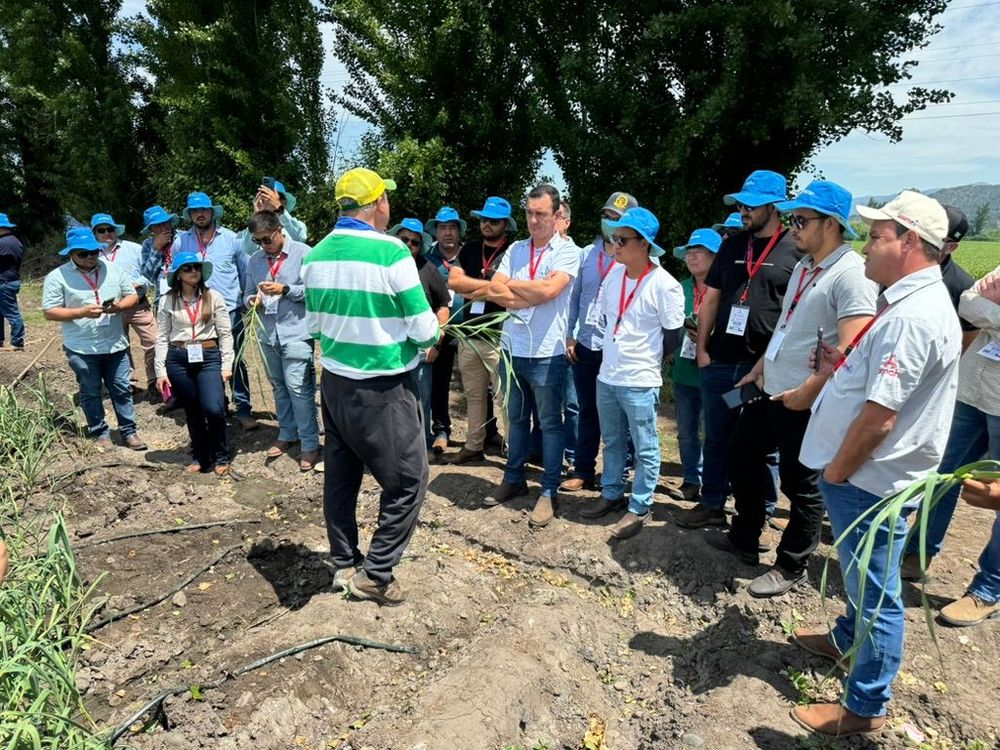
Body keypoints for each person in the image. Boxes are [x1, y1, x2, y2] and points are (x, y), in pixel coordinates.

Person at [792, 190, 960, 735]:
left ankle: (864, 707)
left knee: (875, 594)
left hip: (869, 479)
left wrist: (837, 472)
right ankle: (845, 640)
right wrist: (846, 364)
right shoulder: (904, 303)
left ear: (911, 242)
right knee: (863, 582)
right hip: (868, 475)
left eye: (878, 236)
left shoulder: (914, 316)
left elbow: (880, 418)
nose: (866, 245)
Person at [708, 181, 878, 597]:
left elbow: (849, 349)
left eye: (802, 220)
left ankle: (791, 565)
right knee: (740, 456)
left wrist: (807, 391)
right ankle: (745, 536)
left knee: (800, 484)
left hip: (805, 401)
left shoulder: (849, 275)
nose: (793, 227)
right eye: (792, 218)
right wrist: (762, 366)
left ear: (832, 224)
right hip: (771, 388)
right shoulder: (805, 266)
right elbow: (786, 327)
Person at [302, 168, 439, 606]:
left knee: (341, 478)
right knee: (409, 480)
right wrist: (433, 331)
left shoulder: (316, 255)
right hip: (383, 387)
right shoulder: (392, 252)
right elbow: (422, 328)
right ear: (378, 203)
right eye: (387, 199)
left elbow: (314, 325)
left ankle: (344, 559)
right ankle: (376, 574)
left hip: (336, 382)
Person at [680, 170, 802, 529]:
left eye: (751, 204)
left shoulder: (794, 249)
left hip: (764, 367)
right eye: (741, 204)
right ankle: (712, 502)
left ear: (774, 206)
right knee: (716, 437)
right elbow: (712, 298)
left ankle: (760, 515)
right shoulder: (732, 246)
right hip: (720, 361)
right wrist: (703, 348)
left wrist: (769, 365)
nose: (743, 210)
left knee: (763, 448)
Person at [577, 207, 684, 538]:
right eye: (612, 238)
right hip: (608, 377)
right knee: (611, 442)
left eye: (622, 239)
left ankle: (639, 505)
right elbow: (611, 320)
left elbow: (674, 335)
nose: (615, 245)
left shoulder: (665, 285)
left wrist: (646, 358)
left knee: (645, 445)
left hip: (640, 380)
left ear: (644, 244)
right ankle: (611, 493)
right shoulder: (614, 276)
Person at [483, 184, 581, 528]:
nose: (534, 220)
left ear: (557, 216)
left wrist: (518, 289)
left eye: (541, 214)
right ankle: (514, 478)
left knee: (551, 424)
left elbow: (551, 290)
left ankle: (549, 490)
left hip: (546, 351)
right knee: (515, 417)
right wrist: (531, 293)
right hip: (513, 348)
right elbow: (496, 289)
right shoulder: (516, 248)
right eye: (529, 213)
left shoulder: (568, 252)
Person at [913, 266, 1000, 626]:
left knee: (997, 495)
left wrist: (991, 313)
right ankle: (917, 554)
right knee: (944, 474)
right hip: (970, 390)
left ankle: (988, 590)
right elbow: (967, 303)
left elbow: (980, 306)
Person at [42, 227, 146, 449]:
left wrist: (118, 308)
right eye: (83, 254)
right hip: (81, 348)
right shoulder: (57, 277)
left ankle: (129, 432)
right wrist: (81, 312)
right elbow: (49, 311)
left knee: (121, 389)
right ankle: (100, 433)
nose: (90, 257)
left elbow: (132, 295)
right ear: (71, 254)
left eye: (94, 252)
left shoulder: (113, 269)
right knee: (90, 392)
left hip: (115, 344)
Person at [562, 192, 638, 492]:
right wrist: (569, 334)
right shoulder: (586, 254)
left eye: (617, 219)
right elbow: (574, 298)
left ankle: (623, 472)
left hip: (617, 349)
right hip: (586, 344)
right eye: (607, 216)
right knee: (586, 410)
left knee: (621, 413)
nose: (610, 223)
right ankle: (583, 470)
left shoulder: (639, 259)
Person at [244, 210, 321, 472]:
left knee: (299, 388)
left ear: (279, 230)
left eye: (266, 239)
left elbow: (316, 293)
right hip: (268, 333)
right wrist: (252, 301)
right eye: (258, 241)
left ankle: (310, 443)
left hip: (297, 332)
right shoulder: (254, 261)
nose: (263, 245)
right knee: (279, 386)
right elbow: (246, 294)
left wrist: (286, 289)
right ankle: (287, 433)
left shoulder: (304, 253)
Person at [173, 192, 255, 430]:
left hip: (229, 310)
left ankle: (243, 408)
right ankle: (217, 406)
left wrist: (245, 304)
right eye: (194, 211)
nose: (200, 215)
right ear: (189, 215)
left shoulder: (232, 239)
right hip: (195, 312)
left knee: (236, 360)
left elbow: (245, 273)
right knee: (203, 360)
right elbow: (178, 274)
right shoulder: (182, 242)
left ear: (212, 212)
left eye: (204, 210)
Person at [446, 197, 518, 464]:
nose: (487, 224)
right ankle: (473, 444)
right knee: (474, 396)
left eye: (494, 221)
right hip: (469, 336)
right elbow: (455, 281)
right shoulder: (469, 249)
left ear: (506, 225)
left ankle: (513, 451)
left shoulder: (513, 252)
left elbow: (509, 294)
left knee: (507, 399)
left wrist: (472, 286)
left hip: (499, 337)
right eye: (484, 219)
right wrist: (490, 288)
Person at [154, 253, 234, 475]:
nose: (193, 272)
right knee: (193, 410)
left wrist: (226, 364)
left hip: (208, 356)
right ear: (178, 274)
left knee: (214, 408)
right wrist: (160, 371)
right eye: (187, 268)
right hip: (178, 358)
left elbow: (225, 333)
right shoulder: (167, 300)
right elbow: (161, 336)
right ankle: (200, 456)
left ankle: (221, 455)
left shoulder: (213, 296)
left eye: (196, 267)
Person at [668, 228, 721, 502]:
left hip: (714, 372)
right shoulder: (679, 288)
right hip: (684, 371)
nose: (692, 256)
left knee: (714, 433)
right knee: (686, 432)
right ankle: (691, 479)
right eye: (689, 251)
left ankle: (716, 484)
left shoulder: (725, 289)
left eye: (698, 251)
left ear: (715, 257)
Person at [388, 218, 450, 450]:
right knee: (393, 401)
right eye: (404, 239)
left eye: (414, 242)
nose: (408, 245)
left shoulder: (428, 269)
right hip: (390, 350)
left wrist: (436, 342)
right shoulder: (383, 266)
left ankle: (421, 445)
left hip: (421, 350)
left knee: (420, 401)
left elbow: (444, 306)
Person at [91, 213, 158, 394]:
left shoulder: (134, 248)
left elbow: (150, 272)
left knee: (153, 342)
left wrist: (139, 285)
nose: (107, 233)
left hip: (138, 304)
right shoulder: (90, 254)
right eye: (101, 230)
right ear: (95, 233)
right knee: (119, 345)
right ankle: (129, 381)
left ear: (116, 230)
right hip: (110, 309)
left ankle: (155, 381)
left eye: (110, 229)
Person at [424, 206, 466, 456]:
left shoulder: (470, 255)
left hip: (470, 330)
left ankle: (486, 431)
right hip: (440, 331)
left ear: (459, 231)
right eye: (442, 227)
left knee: (481, 386)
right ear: (435, 231)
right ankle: (441, 430)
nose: (448, 232)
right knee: (439, 382)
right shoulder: (427, 260)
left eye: (452, 227)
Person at [937, 205, 980, 352]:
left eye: (932, 237)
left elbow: (970, 333)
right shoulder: (895, 269)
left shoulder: (962, 286)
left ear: (950, 247)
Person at [241, 178, 308, 253]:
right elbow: (247, 250)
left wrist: (279, 208)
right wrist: (256, 216)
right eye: (265, 197)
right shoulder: (257, 228)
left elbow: (301, 238)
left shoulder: (297, 225)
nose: (269, 201)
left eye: (274, 198)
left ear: (284, 202)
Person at [139, 204, 180, 307]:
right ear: (151, 230)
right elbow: (147, 277)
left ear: (171, 223)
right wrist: (156, 249)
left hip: (184, 296)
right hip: (162, 300)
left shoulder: (182, 238)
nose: (163, 228)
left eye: (165, 223)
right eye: (158, 225)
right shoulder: (148, 244)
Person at [0, 213, 25, 351]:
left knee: (12, 313)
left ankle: (17, 342)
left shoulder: (3, 243)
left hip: (4, 282)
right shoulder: (15, 241)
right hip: (10, 281)